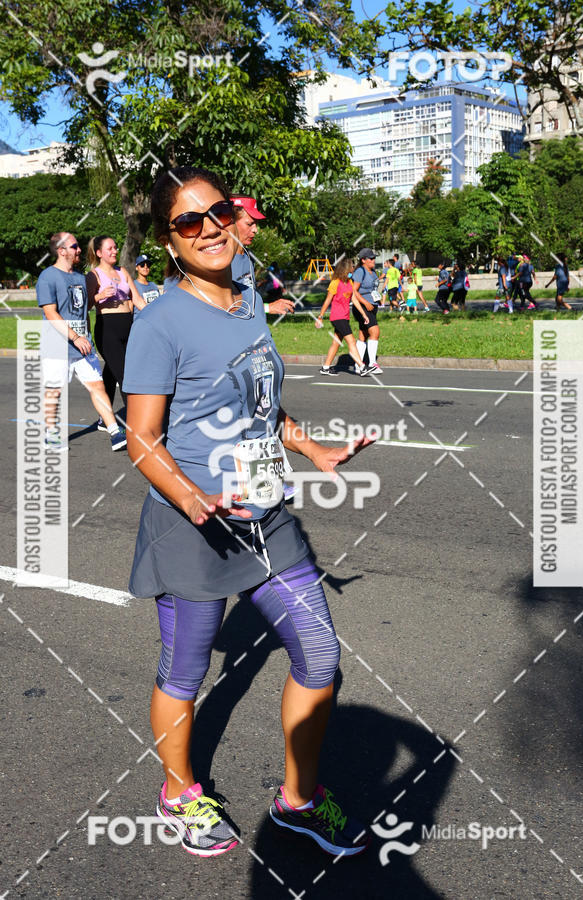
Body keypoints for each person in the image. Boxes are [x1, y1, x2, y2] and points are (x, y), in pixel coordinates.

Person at [122, 165, 373, 858]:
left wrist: (312, 449)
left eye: (219, 212)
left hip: (266, 518)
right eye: (188, 222)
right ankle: (178, 793)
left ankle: (297, 801)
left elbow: (258, 402)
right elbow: (141, 439)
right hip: (193, 526)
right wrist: (194, 497)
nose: (209, 228)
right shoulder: (162, 322)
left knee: (319, 655)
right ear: (171, 243)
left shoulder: (250, 299)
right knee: (185, 673)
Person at [36, 232, 127, 451]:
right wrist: (75, 337)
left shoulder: (79, 278)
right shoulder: (47, 277)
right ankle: (51, 433)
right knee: (55, 390)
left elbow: (83, 311)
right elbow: (51, 314)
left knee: (97, 386)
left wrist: (85, 336)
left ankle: (114, 430)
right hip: (57, 344)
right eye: (74, 246)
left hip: (82, 345)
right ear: (61, 251)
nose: (79, 250)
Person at [86, 236, 146, 429]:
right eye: (109, 248)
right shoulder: (93, 275)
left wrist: (156, 315)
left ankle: (105, 417)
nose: (114, 251)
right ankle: (137, 423)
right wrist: (99, 296)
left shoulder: (123, 272)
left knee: (112, 372)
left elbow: (137, 299)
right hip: (107, 328)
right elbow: (84, 306)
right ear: (99, 253)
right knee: (125, 374)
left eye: (115, 247)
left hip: (128, 327)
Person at [231, 195, 294, 316]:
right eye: (250, 224)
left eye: (256, 224)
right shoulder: (219, 261)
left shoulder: (249, 256)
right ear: (231, 222)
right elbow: (223, 305)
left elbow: (249, 298)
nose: (255, 230)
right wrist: (267, 307)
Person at [316, 259, 369, 375]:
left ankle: (325, 367)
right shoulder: (335, 282)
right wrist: (320, 317)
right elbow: (327, 301)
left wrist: (364, 314)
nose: (353, 270)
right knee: (352, 341)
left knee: (336, 342)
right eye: (351, 268)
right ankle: (362, 366)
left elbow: (354, 299)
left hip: (345, 317)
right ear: (345, 269)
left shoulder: (349, 282)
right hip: (337, 317)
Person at [352, 248, 382, 374]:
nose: (373, 260)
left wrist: (377, 300)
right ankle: (371, 364)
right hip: (362, 307)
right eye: (371, 258)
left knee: (363, 335)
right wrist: (365, 303)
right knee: (375, 332)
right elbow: (354, 291)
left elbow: (373, 289)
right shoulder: (360, 271)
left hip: (372, 306)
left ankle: (358, 364)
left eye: (374, 258)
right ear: (363, 260)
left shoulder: (373, 271)